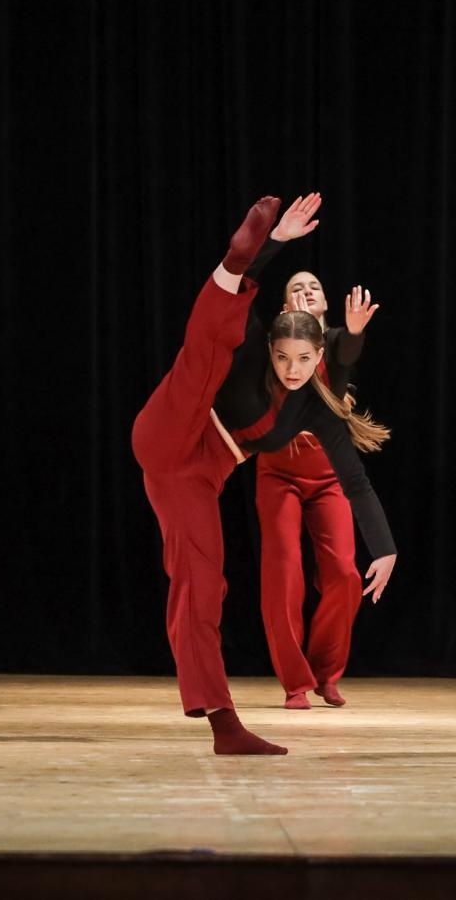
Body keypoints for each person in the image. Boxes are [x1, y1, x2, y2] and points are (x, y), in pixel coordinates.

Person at [131, 195, 398, 754]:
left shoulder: (317, 409)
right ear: (272, 348)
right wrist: (270, 244)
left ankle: (223, 726)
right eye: (284, 359)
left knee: (203, 584)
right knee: (206, 352)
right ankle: (231, 262)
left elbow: (355, 480)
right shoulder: (256, 350)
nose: (293, 370)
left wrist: (386, 547)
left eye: (304, 360)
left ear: (318, 353)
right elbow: (240, 321)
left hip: (197, 477)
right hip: (175, 427)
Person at [258, 273, 381, 709]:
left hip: (328, 475)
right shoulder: (273, 347)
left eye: (313, 286)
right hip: (278, 474)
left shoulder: (334, 342)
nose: (306, 290)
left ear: (326, 299)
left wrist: (353, 330)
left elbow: (347, 351)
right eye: (295, 286)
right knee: (284, 570)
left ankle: (326, 674)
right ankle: (295, 682)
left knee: (345, 575)